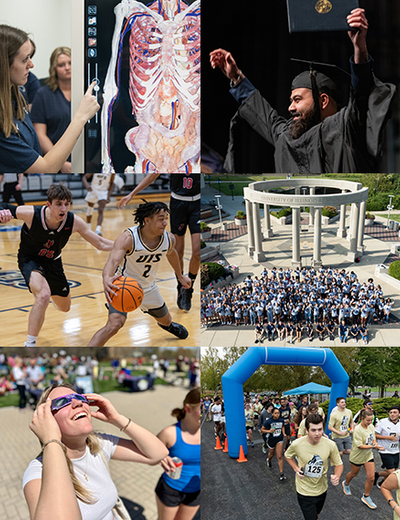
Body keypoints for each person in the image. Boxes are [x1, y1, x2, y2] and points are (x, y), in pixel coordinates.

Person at [210, 8, 395, 174]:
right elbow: (263, 114)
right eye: (291, 101)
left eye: (297, 100)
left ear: (323, 100)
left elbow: (361, 95)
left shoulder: (347, 127)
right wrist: (236, 77)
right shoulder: (289, 136)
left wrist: (359, 47)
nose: (290, 107)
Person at [23, 382, 168, 519]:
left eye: (79, 397)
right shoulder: (38, 473)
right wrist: (51, 440)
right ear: (46, 419)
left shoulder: (99, 444)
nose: (77, 403)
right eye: (62, 402)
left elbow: (157, 453)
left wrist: (117, 418)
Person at [0, 184, 113, 347]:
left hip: (54, 262)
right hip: (30, 259)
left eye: (67, 204)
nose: (64, 208)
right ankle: (30, 344)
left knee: (65, 307)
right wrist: (2, 212)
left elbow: (100, 243)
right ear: (49, 204)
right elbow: (5, 206)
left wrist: (124, 245)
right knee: (43, 295)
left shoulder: (73, 221)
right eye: (59, 204)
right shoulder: (32, 214)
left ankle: (47, 293)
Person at [87, 201, 191, 346]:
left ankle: (168, 326)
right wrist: (106, 278)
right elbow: (112, 261)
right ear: (147, 220)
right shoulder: (128, 238)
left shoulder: (169, 238)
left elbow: (171, 253)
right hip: (124, 286)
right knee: (114, 325)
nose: (165, 223)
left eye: (166, 218)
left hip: (149, 288)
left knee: (166, 319)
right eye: (161, 219)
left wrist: (180, 276)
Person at [0, 25, 99, 173]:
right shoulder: (43, 94)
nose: (31, 65)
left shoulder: (17, 93)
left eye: (30, 57)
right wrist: (81, 116)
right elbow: (47, 166)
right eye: (24, 59)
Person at [119, 173, 200, 312]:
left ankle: (189, 288)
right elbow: (152, 176)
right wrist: (132, 194)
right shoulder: (172, 156)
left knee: (197, 251)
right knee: (177, 250)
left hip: (197, 201)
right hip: (178, 203)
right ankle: (181, 285)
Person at [285, 414, 343, 520]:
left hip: (322, 489)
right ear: (307, 430)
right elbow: (288, 456)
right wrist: (295, 468)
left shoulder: (330, 445)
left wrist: (337, 476)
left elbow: (338, 463)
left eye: (320, 429)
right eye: (313, 430)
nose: (317, 433)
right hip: (304, 490)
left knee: (316, 515)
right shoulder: (297, 444)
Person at [155, 388, 200, 520]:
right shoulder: (170, 433)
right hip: (171, 489)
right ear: (188, 408)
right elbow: (149, 458)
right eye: (201, 408)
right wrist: (160, 458)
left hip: (196, 492)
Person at [31, 47, 72, 174]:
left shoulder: (88, 91)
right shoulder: (42, 95)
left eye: (70, 63)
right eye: (61, 65)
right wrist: (60, 162)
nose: (67, 67)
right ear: (54, 68)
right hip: (55, 161)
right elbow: (40, 134)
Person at [342, 409, 385, 510]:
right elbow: (359, 446)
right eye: (368, 420)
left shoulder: (371, 426)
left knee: (371, 477)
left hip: (368, 456)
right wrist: (374, 447)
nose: (370, 422)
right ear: (362, 419)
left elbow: (373, 438)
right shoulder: (357, 429)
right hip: (357, 456)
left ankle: (366, 496)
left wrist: (375, 444)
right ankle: (346, 483)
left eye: (371, 420)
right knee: (353, 474)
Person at [374, 406, 400, 489]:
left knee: (394, 471)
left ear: (399, 414)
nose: (392, 414)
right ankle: (378, 475)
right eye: (390, 412)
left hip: (395, 450)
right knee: (391, 471)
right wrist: (389, 438)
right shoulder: (383, 422)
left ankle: (380, 480)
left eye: (394, 412)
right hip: (384, 450)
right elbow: (375, 435)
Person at [261, 407, 287, 481]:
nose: (277, 414)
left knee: (279, 456)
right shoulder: (269, 421)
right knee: (271, 454)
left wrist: (284, 433)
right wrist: (269, 431)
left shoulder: (281, 420)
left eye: (278, 413)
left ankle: (281, 473)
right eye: (275, 413)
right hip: (271, 440)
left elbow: (282, 426)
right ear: (272, 414)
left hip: (279, 439)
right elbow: (262, 430)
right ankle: (269, 460)